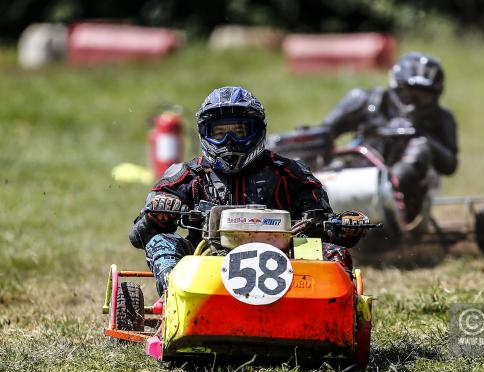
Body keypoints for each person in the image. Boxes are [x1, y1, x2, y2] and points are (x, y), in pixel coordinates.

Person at [129, 86, 368, 295]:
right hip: (203, 261)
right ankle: (175, 304)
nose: (230, 141)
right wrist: (157, 216)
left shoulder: (291, 173)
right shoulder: (186, 174)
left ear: (258, 131)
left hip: (286, 260)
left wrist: (345, 227)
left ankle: (331, 316)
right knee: (162, 242)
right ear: (205, 134)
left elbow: (322, 226)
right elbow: (138, 237)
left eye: (239, 132)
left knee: (333, 253)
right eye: (220, 134)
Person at [322, 52, 459, 222]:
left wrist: (420, 135)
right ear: (394, 87)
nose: (413, 104)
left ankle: (395, 205)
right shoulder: (365, 101)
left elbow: (450, 165)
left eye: (423, 98)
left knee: (420, 148)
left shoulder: (442, 118)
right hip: (357, 172)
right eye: (408, 95)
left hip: (412, 194)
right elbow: (324, 133)